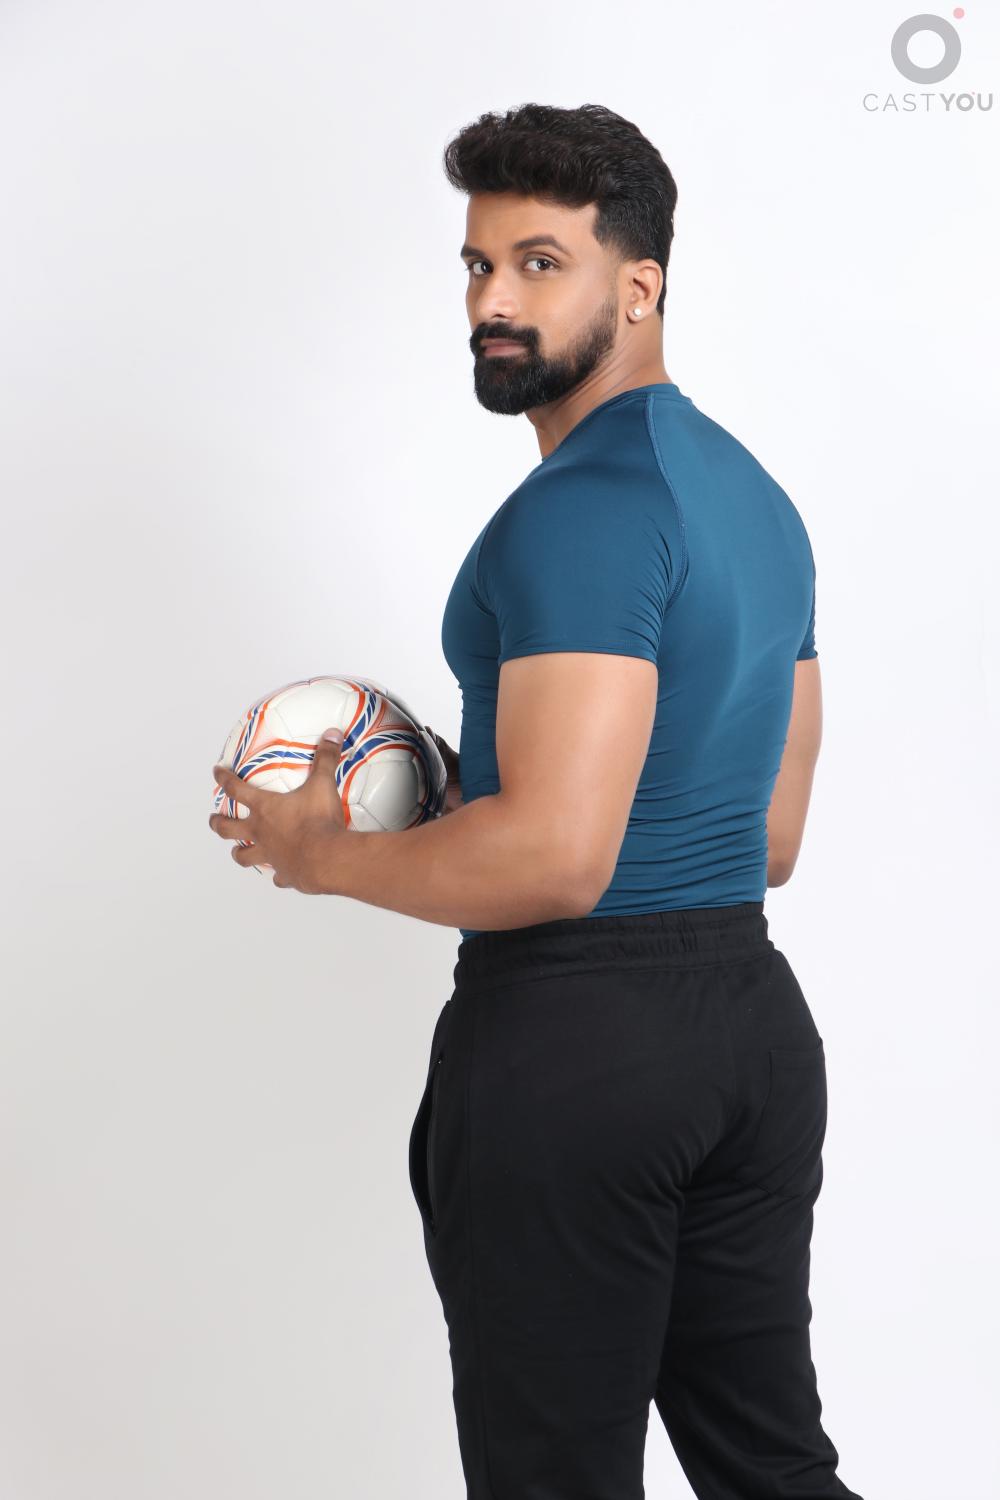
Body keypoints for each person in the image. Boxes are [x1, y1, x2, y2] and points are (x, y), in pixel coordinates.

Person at [410, 102, 864, 1499]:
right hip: (751, 1035)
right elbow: (766, 839)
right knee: (775, 1472)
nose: (493, 301)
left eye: (540, 264)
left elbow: (556, 860)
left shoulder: (582, 508)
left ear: (640, 286)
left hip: (577, 1043)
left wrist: (318, 853)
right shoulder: (758, 502)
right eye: (479, 264)